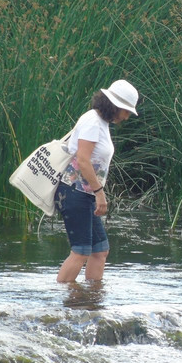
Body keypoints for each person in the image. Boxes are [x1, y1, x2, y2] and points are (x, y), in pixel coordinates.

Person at [54, 79, 139, 283]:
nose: (127, 117)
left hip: (85, 194)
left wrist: (95, 193)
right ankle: (61, 302)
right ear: (114, 106)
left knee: (100, 251)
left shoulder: (100, 123)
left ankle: (92, 302)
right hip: (74, 193)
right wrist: (100, 193)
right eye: (126, 111)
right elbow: (83, 160)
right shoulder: (93, 122)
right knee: (81, 252)